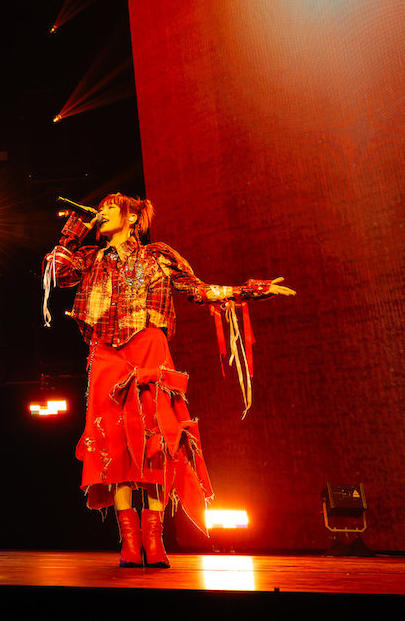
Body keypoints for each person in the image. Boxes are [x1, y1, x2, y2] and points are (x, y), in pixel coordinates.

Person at [43, 194, 293, 568]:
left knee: (156, 437)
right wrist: (74, 230)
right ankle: (129, 543)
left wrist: (250, 290)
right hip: (105, 352)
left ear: (132, 218)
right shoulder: (90, 257)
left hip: (148, 345)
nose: (103, 212)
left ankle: (155, 540)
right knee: (113, 442)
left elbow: (197, 290)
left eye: (111, 207)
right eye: (102, 208)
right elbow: (56, 274)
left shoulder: (157, 254)